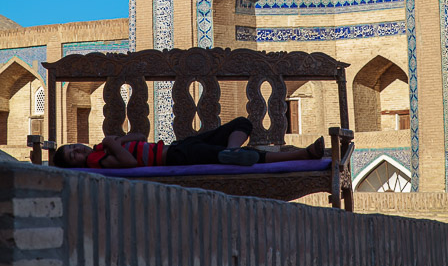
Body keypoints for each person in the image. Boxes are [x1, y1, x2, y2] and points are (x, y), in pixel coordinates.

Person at [53, 116, 325, 170]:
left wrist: (117, 140)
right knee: (254, 156)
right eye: (73, 155)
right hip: (177, 158)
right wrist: (114, 146)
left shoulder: (101, 148)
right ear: (76, 165)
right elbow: (130, 162)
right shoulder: (97, 161)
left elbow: (139, 138)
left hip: (180, 145)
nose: (78, 150)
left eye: (74, 146)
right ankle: (305, 153)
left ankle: (230, 151)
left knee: (242, 123)